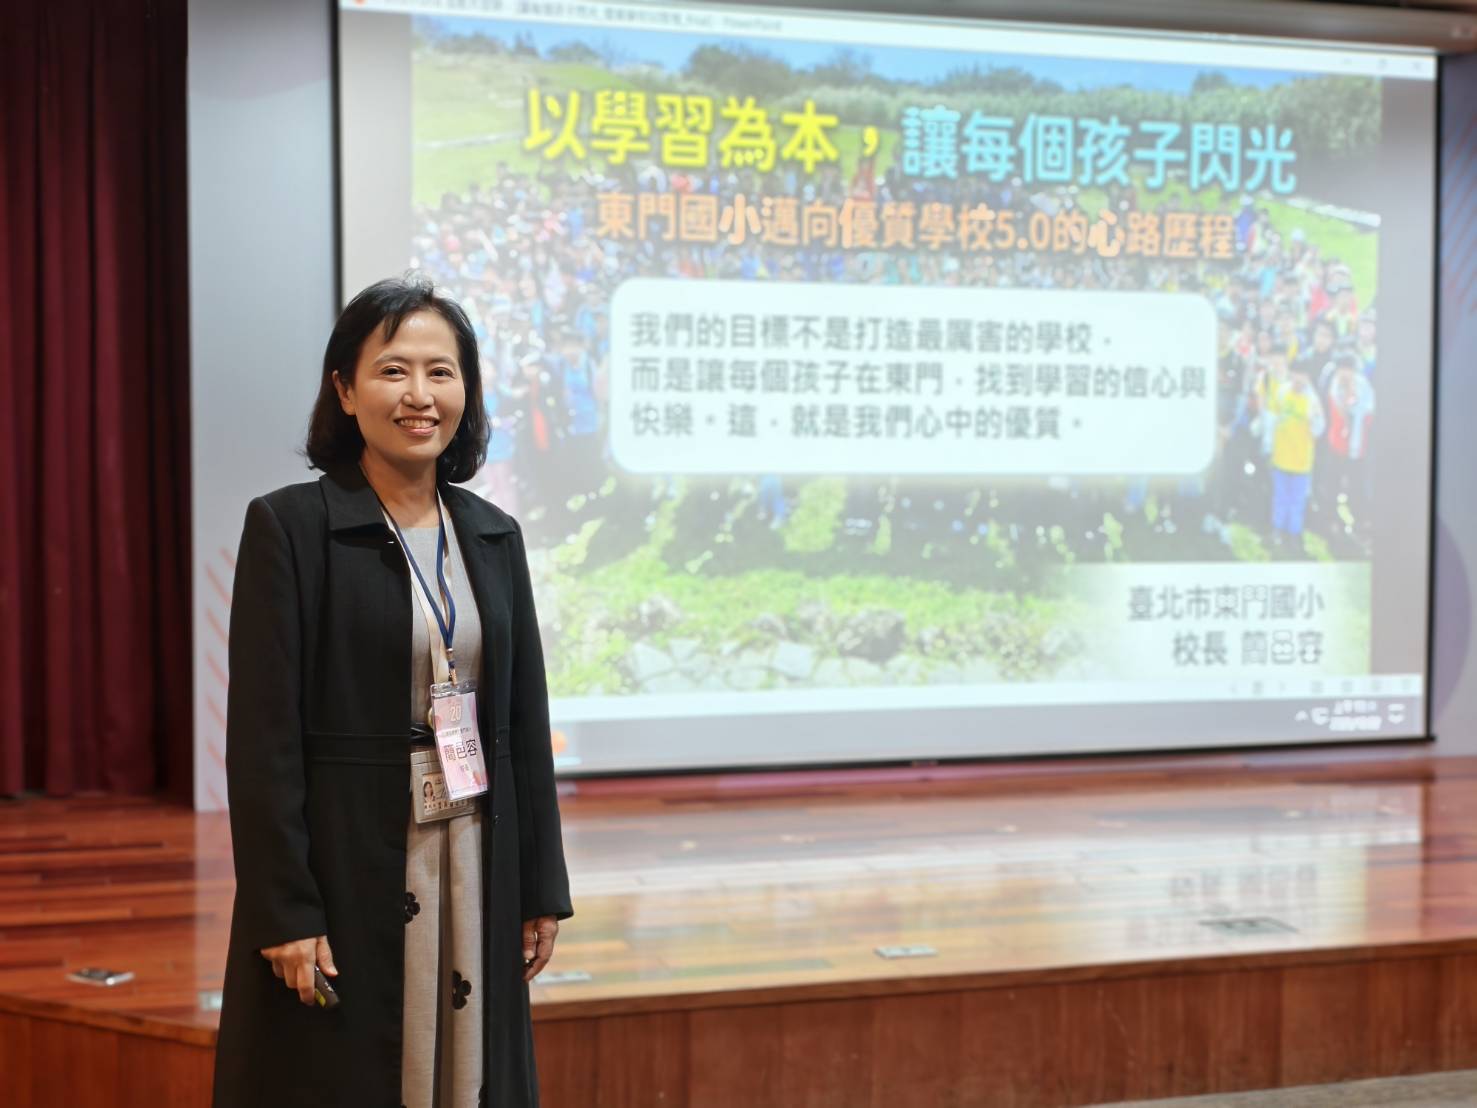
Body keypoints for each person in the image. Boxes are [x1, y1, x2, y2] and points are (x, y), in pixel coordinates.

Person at [212, 275, 572, 1107]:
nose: (420, 395)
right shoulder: (292, 527)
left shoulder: (492, 533)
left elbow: (523, 724)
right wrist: (285, 911)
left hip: (473, 851)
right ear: (345, 389)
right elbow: (263, 744)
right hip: (348, 861)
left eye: (441, 372)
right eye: (393, 370)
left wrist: (540, 887)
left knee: (468, 1069)